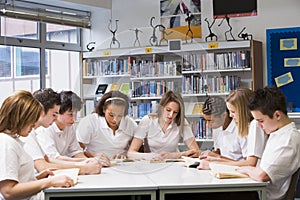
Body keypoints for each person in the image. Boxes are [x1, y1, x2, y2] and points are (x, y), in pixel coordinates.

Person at [0, 90, 74, 200]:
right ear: (21, 117)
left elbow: (16, 179)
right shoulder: (6, 143)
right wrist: (48, 181)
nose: (34, 124)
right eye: (32, 118)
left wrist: (36, 178)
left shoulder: (15, 140)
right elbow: (8, 191)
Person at [237, 86, 300, 200]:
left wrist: (245, 169)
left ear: (277, 115)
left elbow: (262, 175)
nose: (259, 126)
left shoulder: (288, 141)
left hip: (266, 196)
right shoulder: (277, 133)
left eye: (261, 121)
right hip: (259, 191)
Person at [22, 88, 102, 175]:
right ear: (41, 111)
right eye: (54, 114)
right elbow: (44, 166)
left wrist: (85, 162)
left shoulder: (32, 131)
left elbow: (49, 159)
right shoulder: (29, 133)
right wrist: (82, 168)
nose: (56, 118)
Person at [198, 87, 267, 169]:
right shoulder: (250, 126)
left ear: (243, 111)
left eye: (233, 112)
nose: (230, 115)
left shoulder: (254, 125)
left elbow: (250, 163)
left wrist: (215, 163)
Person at [36, 90, 108, 168]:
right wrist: (85, 163)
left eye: (76, 114)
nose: (74, 119)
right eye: (70, 114)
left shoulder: (69, 127)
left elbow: (76, 152)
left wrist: (92, 162)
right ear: (58, 111)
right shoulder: (45, 128)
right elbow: (53, 158)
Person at [128, 91, 200, 159]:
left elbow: (196, 151)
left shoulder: (181, 122)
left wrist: (173, 155)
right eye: (168, 110)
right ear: (161, 108)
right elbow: (131, 153)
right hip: (151, 164)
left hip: (174, 164)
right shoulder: (147, 120)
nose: (171, 115)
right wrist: (152, 156)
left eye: (175, 112)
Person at [76, 90, 138, 159]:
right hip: (96, 162)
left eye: (120, 115)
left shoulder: (130, 123)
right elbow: (77, 148)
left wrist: (126, 153)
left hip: (121, 164)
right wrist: (92, 155)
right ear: (104, 109)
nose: (115, 119)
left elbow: (137, 147)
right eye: (111, 115)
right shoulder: (90, 121)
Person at [201, 96, 247, 161]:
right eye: (206, 121)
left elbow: (247, 163)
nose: (207, 125)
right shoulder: (217, 129)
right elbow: (219, 151)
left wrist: (217, 157)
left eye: (211, 121)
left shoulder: (241, 129)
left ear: (224, 115)